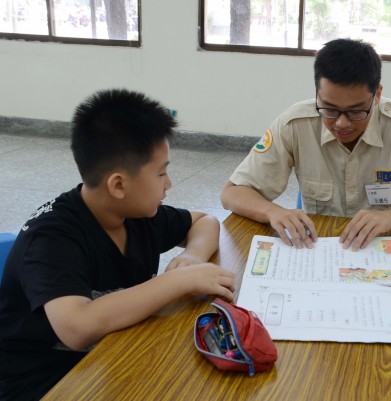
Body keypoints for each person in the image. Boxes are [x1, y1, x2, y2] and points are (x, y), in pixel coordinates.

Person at [0, 89, 235, 401]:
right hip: (47, 379)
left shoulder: (135, 213)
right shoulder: (52, 238)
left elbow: (204, 222)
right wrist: (175, 281)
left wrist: (192, 255)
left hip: (111, 354)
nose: (169, 183)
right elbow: (77, 328)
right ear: (119, 184)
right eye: (161, 172)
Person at [221, 38, 391, 251]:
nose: (342, 123)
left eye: (356, 111)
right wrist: (274, 212)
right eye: (330, 109)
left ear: (377, 95)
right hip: (318, 248)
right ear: (317, 94)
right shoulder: (295, 124)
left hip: (384, 251)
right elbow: (232, 194)